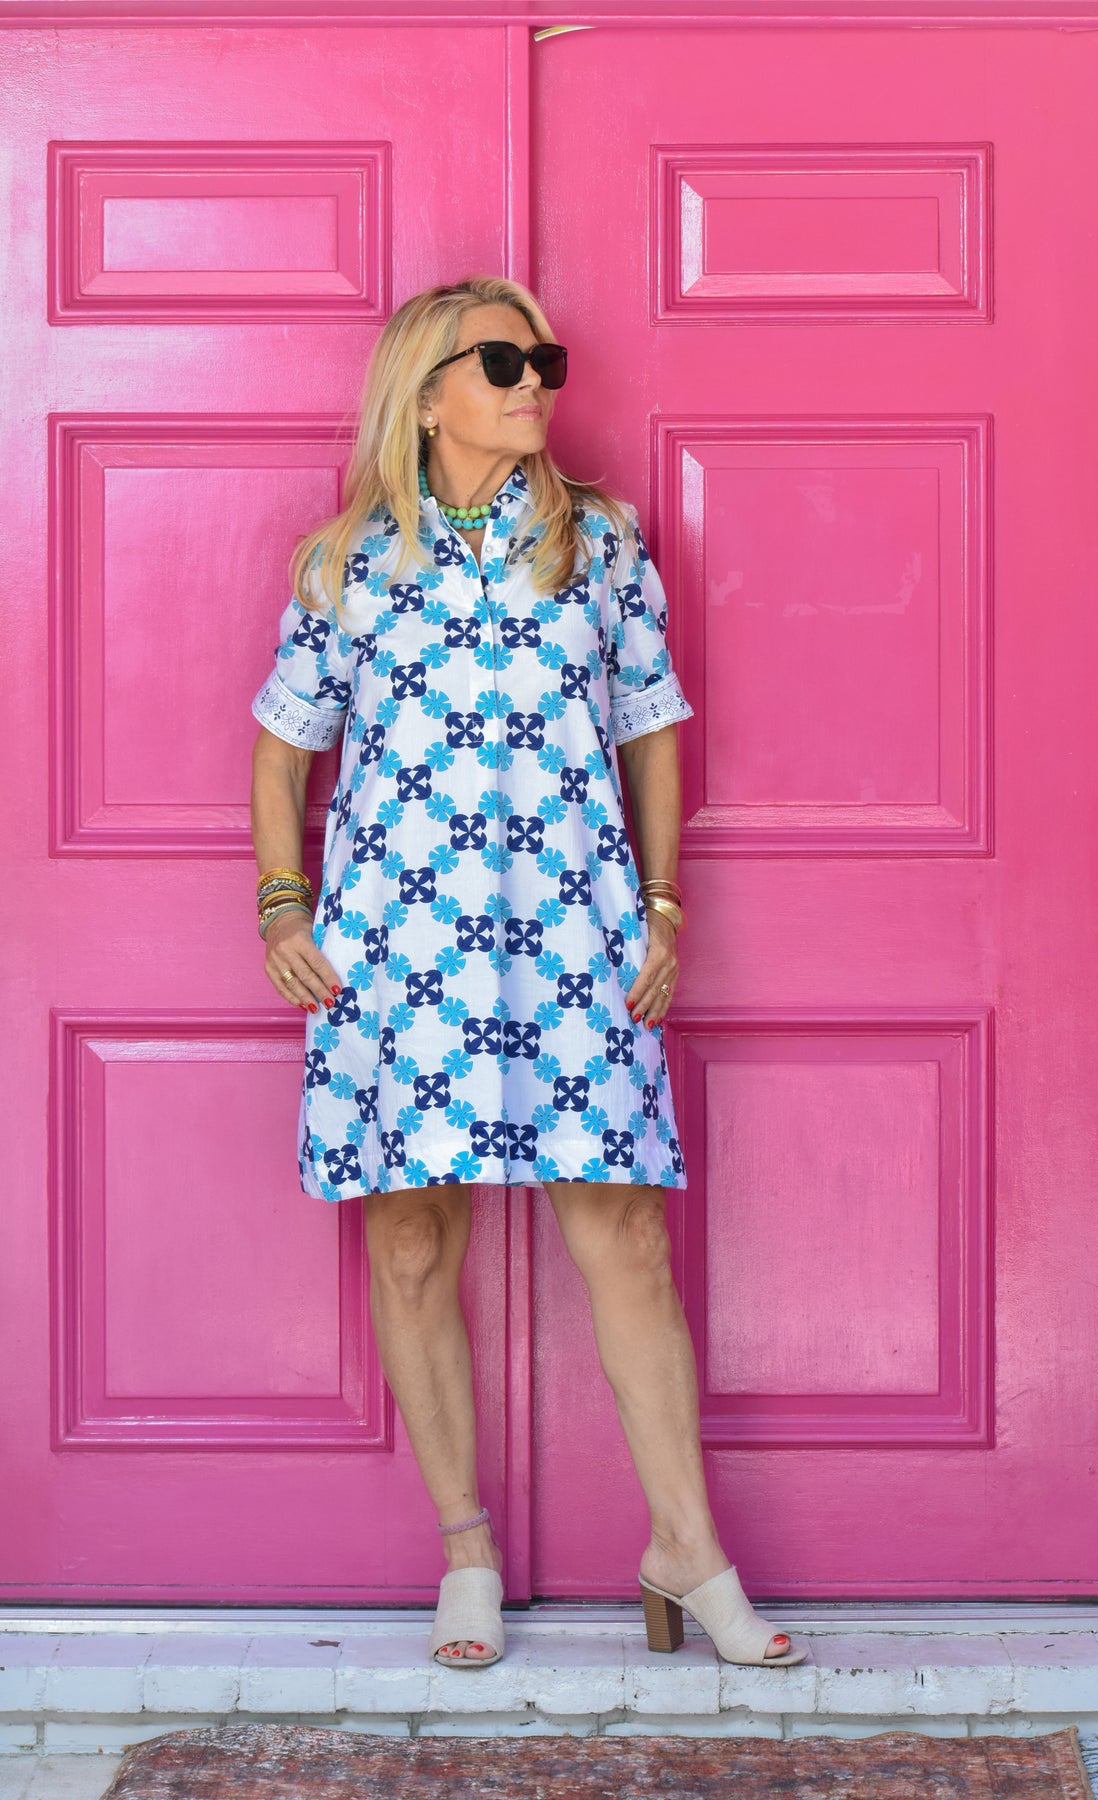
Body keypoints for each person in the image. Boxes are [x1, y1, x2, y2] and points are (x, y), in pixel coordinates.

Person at [249, 275, 807, 1673]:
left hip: (572, 938)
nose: (534, 384)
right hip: (397, 947)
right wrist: (281, 904)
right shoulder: (347, 564)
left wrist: (661, 908)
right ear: (425, 393)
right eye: (501, 363)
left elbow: (653, 725)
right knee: (410, 1241)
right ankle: (466, 1553)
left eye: (544, 362)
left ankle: (687, 1549)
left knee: (624, 1236)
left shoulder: (597, 544)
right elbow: (281, 748)